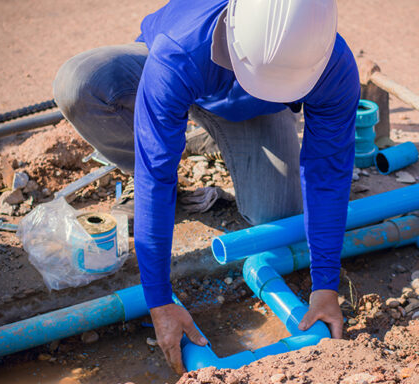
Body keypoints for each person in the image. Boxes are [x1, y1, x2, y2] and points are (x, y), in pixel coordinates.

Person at [53, 0, 359, 374]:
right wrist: (159, 300)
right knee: (81, 82)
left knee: (277, 219)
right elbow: (155, 175)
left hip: (254, 108)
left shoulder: (332, 63)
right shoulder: (179, 48)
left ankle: (201, 138)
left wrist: (325, 284)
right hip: (181, 75)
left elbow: (327, 172)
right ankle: (169, 131)